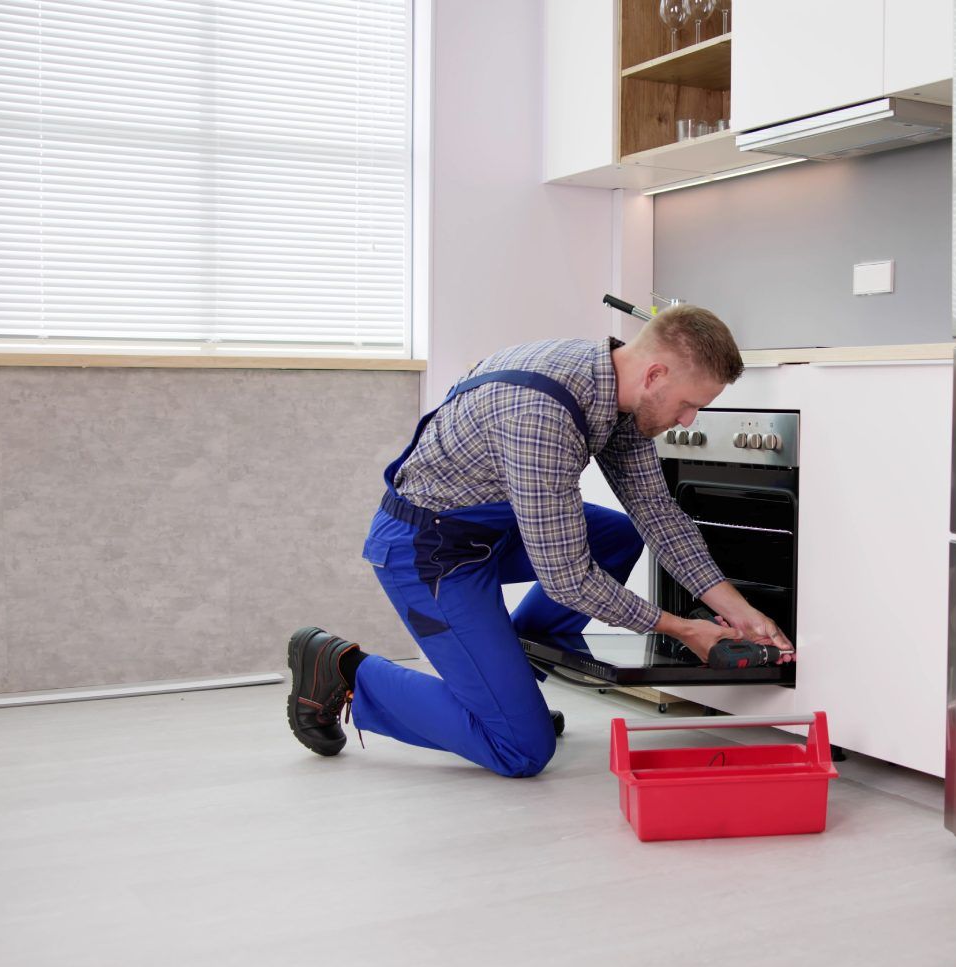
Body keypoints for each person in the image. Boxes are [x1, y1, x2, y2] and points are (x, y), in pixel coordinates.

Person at [285, 305, 794, 777]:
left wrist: (736, 607)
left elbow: (656, 513)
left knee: (616, 537)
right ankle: (343, 668)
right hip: (429, 552)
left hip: (489, 529)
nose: (688, 420)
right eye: (688, 405)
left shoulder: (612, 385)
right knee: (522, 748)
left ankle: (511, 678)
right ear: (656, 375)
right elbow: (567, 579)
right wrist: (686, 630)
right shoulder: (540, 414)